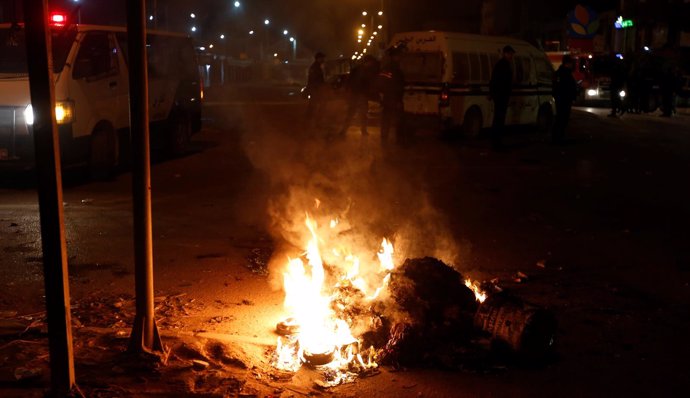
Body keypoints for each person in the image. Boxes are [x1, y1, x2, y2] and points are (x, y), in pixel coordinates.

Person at [340, 55, 380, 137]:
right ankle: (360, 130)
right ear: (368, 62)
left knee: (354, 113)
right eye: (370, 62)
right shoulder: (365, 71)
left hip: (357, 95)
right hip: (359, 95)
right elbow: (368, 83)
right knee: (359, 114)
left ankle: (344, 131)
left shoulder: (357, 69)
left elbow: (349, 81)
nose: (371, 64)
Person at [378, 46, 405, 145]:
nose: (400, 58)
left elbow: (381, 84)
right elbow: (396, 86)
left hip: (388, 99)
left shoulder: (388, 68)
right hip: (393, 98)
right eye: (398, 56)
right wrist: (397, 100)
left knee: (387, 120)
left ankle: (385, 139)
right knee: (397, 120)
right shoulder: (395, 69)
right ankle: (398, 140)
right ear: (395, 57)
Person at [489, 45, 515, 150]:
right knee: (499, 119)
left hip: (500, 96)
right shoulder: (503, 65)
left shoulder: (501, 65)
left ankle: (496, 141)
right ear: (505, 53)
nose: (511, 56)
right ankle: (496, 142)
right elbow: (501, 82)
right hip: (501, 96)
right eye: (510, 54)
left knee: (498, 119)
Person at [552, 55, 578, 144]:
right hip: (565, 100)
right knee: (562, 118)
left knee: (560, 118)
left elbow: (555, 87)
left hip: (561, 99)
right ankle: (558, 137)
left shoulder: (559, 73)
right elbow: (568, 87)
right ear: (568, 63)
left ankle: (557, 137)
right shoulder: (566, 74)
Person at [305, 51, 327, 127]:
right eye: (323, 58)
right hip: (316, 90)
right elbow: (314, 80)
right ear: (319, 58)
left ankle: (311, 121)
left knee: (315, 106)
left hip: (316, 90)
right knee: (314, 106)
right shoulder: (315, 67)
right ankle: (311, 122)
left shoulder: (316, 67)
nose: (324, 60)